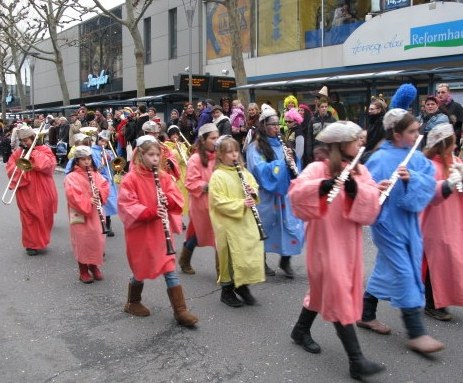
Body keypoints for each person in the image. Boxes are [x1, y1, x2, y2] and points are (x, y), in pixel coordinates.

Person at [288, 121, 384, 380]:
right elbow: (296, 194)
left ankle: (299, 330)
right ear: (340, 145)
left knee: (323, 290)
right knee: (338, 291)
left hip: (347, 242)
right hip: (323, 242)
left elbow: (372, 203)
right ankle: (356, 361)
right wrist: (321, 187)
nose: (360, 144)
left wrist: (356, 191)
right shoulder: (317, 167)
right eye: (355, 140)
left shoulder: (360, 169)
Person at [358, 109, 444, 354]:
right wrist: (376, 188)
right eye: (412, 131)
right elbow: (364, 191)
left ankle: (366, 313)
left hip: (409, 223)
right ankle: (416, 333)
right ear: (396, 134)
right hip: (387, 224)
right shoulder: (378, 158)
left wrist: (412, 179)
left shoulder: (415, 157)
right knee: (406, 271)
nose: (418, 134)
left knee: (387, 268)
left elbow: (429, 183)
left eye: (417, 130)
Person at [117, 135, 198, 327]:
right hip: (141, 232)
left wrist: (167, 201)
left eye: (157, 155)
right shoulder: (130, 179)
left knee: (169, 268)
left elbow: (175, 195)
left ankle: (180, 311)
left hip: (160, 231)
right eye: (150, 155)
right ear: (140, 155)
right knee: (140, 268)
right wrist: (151, 211)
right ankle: (133, 302)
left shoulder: (163, 176)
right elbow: (127, 205)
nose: (155, 158)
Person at [246, 104, 304, 278]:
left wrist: (292, 161)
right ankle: (261, 262)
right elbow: (260, 169)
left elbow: (294, 168)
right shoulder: (254, 147)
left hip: (284, 194)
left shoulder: (282, 144)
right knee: (263, 227)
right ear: (263, 126)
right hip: (266, 194)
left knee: (290, 227)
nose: (276, 128)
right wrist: (282, 165)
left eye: (277, 124)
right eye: (272, 124)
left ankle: (285, 261)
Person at [209, 136, 265, 307]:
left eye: (235, 151)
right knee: (231, 257)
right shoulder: (218, 175)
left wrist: (252, 193)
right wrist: (241, 203)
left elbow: (254, 186)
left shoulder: (244, 172)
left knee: (247, 253)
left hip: (245, 221)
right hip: (228, 223)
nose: (233, 155)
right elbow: (218, 201)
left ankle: (242, 285)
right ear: (220, 155)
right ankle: (227, 291)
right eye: (229, 152)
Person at [421, 123, 463, 321]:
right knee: (436, 262)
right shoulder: (430, 165)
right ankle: (432, 303)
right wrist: (448, 183)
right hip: (435, 221)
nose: (455, 146)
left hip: (454, 219)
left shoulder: (455, 161)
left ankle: (443, 299)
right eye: (453, 142)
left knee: (452, 261)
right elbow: (428, 193)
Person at [6, 127, 58, 256]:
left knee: (44, 214)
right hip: (26, 190)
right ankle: (31, 244)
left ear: (33, 138)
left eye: (27, 140)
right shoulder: (18, 152)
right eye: (22, 141)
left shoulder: (44, 149)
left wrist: (33, 153)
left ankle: (41, 241)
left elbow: (49, 165)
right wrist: (22, 165)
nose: (25, 143)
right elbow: (10, 168)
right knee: (28, 216)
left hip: (43, 187)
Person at [64, 146, 109, 283]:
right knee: (82, 241)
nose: (87, 162)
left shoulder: (96, 174)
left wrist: (99, 194)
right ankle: (83, 269)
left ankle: (94, 266)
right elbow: (72, 195)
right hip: (80, 214)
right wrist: (88, 200)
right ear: (76, 161)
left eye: (89, 159)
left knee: (97, 239)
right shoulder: (71, 177)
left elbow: (105, 185)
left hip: (96, 212)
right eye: (83, 159)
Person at [181, 123, 219, 275]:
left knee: (220, 236)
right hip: (201, 204)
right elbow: (190, 182)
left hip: (218, 202)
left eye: (218, 137)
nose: (216, 141)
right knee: (198, 234)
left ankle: (222, 272)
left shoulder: (219, 155)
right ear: (203, 140)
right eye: (213, 138)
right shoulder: (195, 159)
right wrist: (208, 186)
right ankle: (184, 260)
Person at [91, 130, 118, 237]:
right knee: (101, 202)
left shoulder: (109, 151)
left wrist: (111, 159)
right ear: (97, 140)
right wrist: (102, 161)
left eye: (106, 142)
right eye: (101, 141)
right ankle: (100, 223)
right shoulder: (92, 151)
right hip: (99, 179)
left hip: (109, 180)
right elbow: (95, 168)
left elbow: (117, 165)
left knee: (109, 201)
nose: (103, 143)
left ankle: (108, 223)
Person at [436, 83, 463, 153]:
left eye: (443, 92)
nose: (440, 94)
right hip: (437, 145)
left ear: (448, 93)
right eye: (438, 92)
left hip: (452, 146)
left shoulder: (457, 106)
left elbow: (460, 127)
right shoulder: (436, 107)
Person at [361, 96, 387, 163]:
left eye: (372, 109)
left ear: (379, 110)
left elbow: (379, 139)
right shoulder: (372, 121)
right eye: (369, 109)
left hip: (376, 155)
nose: (369, 111)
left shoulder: (382, 122)